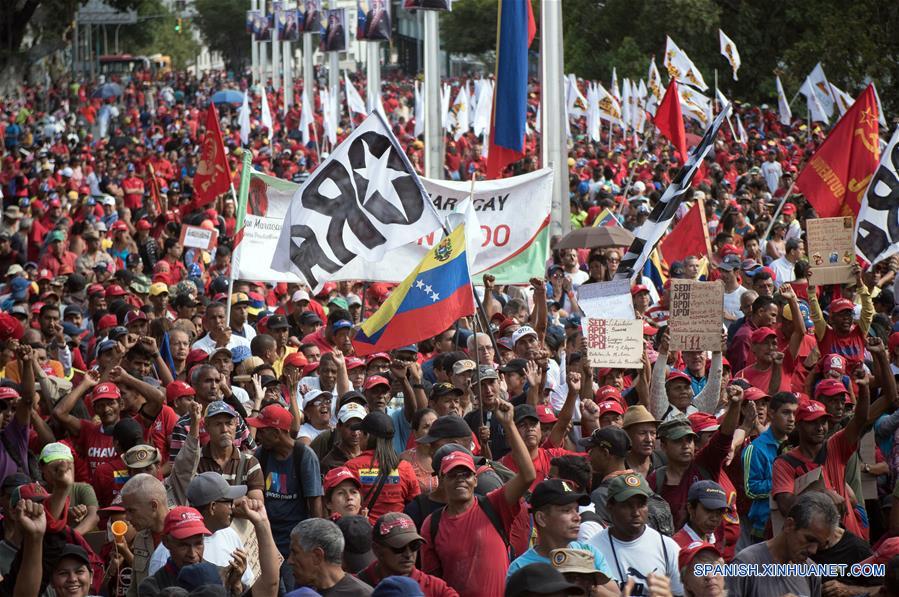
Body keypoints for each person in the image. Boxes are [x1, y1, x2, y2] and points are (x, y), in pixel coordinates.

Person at [420, 400, 536, 597]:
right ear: (441, 479)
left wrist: (509, 425)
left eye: (465, 474)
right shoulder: (431, 525)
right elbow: (433, 585)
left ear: (475, 479)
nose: (460, 480)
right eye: (452, 474)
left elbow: (527, 476)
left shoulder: (494, 505)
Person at [771, 374, 870, 541]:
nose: (820, 428)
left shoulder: (835, 446)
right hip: (814, 545)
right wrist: (823, 495)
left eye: (823, 422)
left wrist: (865, 389)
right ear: (799, 425)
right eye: (812, 422)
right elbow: (786, 505)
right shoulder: (784, 463)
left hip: (848, 538)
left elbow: (860, 420)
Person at [246, 403, 323, 588]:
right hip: (267, 538)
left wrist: (312, 543)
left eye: (263, 431)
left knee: (292, 588)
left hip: (293, 541)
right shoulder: (261, 454)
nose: (260, 435)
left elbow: (315, 504)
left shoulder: (304, 456)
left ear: (276, 433)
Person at [505, 479, 618, 595]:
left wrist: (589, 587)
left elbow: (617, 594)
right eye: (567, 510)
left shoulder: (589, 552)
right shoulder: (520, 568)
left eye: (577, 510)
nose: (577, 517)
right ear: (541, 518)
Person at [588, 473, 684, 595]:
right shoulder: (591, 549)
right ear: (610, 507)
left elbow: (683, 592)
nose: (636, 513)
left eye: (641, 505)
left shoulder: (667, 547)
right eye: (627, 505)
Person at [727, 491, 836, 597]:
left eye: (819, 544)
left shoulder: (811, 572)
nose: (813, 550)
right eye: (809, 539)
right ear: (789, 525)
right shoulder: (745, 564)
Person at [344, 411, 421, 524]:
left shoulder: (351, 467)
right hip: (397, 534)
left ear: (368, 435)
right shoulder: (405, 468)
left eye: (361, 432)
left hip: (364, 533)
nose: (358, 436)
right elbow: (415, 505)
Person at [357, 512, 459, 596]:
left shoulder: (437, 589)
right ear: (377, 549)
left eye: (414, 545)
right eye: (399, 547)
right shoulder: (357, 587)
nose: (408, 554)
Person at [743, 391, 798, 542]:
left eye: (794, 413)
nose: (792, 419)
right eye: (786, 413)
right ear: (772, 413)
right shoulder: (755, 449)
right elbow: (751, 489)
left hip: (795, 526)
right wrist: (782, 483)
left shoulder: (798, 446)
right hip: (764, 529)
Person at [288, 517, 374, 596]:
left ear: (317, 556)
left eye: (295, 552)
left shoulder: (362, 594)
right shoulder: (301, 592)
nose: (290, 561)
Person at [121, 473, 170, 596]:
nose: (127, 518)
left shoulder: (184, 535)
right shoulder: (140, 538)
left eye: (131, 510)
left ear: (154, 506)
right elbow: (134, 588)